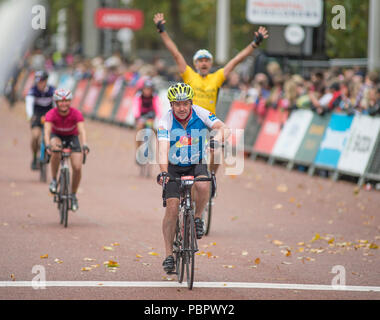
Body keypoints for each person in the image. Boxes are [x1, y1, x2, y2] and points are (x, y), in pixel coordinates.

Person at [156, 83, 230, 273]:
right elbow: (162, 149)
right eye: (177, 104)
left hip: (196, 162)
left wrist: (217, 139)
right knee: (172, 208)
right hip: (173, 167)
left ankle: (197, 218)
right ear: (171, 105)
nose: (182, 108)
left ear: (191, 103)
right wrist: (164, 172)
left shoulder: (200, 113)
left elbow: (224, 128)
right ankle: (168, 255)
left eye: (185, 104)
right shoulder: (165, 121)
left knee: (204, 185)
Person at [44, 89, 90, 212]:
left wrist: (85, 144)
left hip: (72, 138)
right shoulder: (51, 114)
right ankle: (54, 180)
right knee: (56, 149)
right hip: (57, 136)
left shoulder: (76, 114)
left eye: (67, 101)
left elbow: (82, 130)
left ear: (70, 102)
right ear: (56, 102)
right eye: (61, 102)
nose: (64, 104)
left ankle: (73, 195)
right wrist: (47, 145)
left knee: (77, 167)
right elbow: (47, 131)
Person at [25, 70, 55, 170]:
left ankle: (47, 152)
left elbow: (56, 105)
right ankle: (34, 157)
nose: (40, 84)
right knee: (35, 136)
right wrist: (30, 116)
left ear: (46, 81)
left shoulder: (52, 90)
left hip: (49, 116)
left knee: (51, 137)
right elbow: (29, 104)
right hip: (37, 115)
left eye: (42, 81)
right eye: (38, 81)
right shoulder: (33, 91)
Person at [133, 78, 161, 162]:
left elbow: (158, 107)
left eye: (149, 89)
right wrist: (137, 117)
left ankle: (152, 149)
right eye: (146, 89)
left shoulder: (155, 96)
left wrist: (159, 118)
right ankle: (138, 150)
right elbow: (135, 107)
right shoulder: (139, 95)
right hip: (141, 117)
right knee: (139, 128)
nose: (147, 91)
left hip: (151, 117)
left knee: (154, 131)